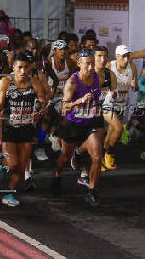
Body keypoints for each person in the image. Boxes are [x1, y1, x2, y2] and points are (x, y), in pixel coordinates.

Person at [0, 53, 46, 207]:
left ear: (30, 68)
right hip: (9, 128)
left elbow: (42, 99)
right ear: (13, 68)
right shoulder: (5, 83)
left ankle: (8, 194)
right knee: (13, 165)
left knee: (21, 169)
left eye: (26, 67)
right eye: (20, 67)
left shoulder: (34, 83)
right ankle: (0, 162)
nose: (23, 71)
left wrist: (37, 109)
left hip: (26, 128)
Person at [53, 48, 103, 208]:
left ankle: (92, 192)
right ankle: (57, 175)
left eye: (92, 64)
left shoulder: (96, 77)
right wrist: (79, 101)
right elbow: (63, 108)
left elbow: (97, 97)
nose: (90, 67)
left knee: (97, 156)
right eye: (87, 64)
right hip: (72, 125)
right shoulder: (72, 82)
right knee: (65, 157)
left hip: (89, 124)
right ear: (79, 64)